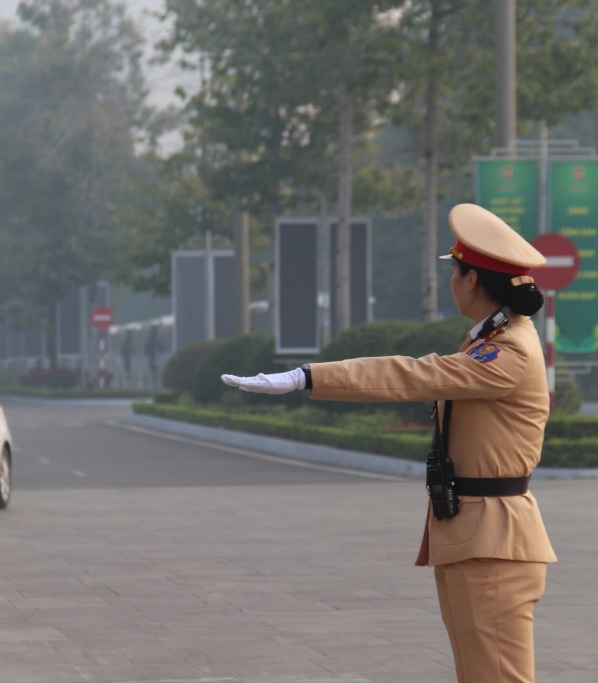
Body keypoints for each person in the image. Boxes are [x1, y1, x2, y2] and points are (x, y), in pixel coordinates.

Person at [221, 203, 557, 683]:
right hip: (475, 538)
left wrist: (304, 377)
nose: (451, 282)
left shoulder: (507, 351)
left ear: (472, 281)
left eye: (455, 272)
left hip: (493, 544)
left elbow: (410, 374)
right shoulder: (493, 340)